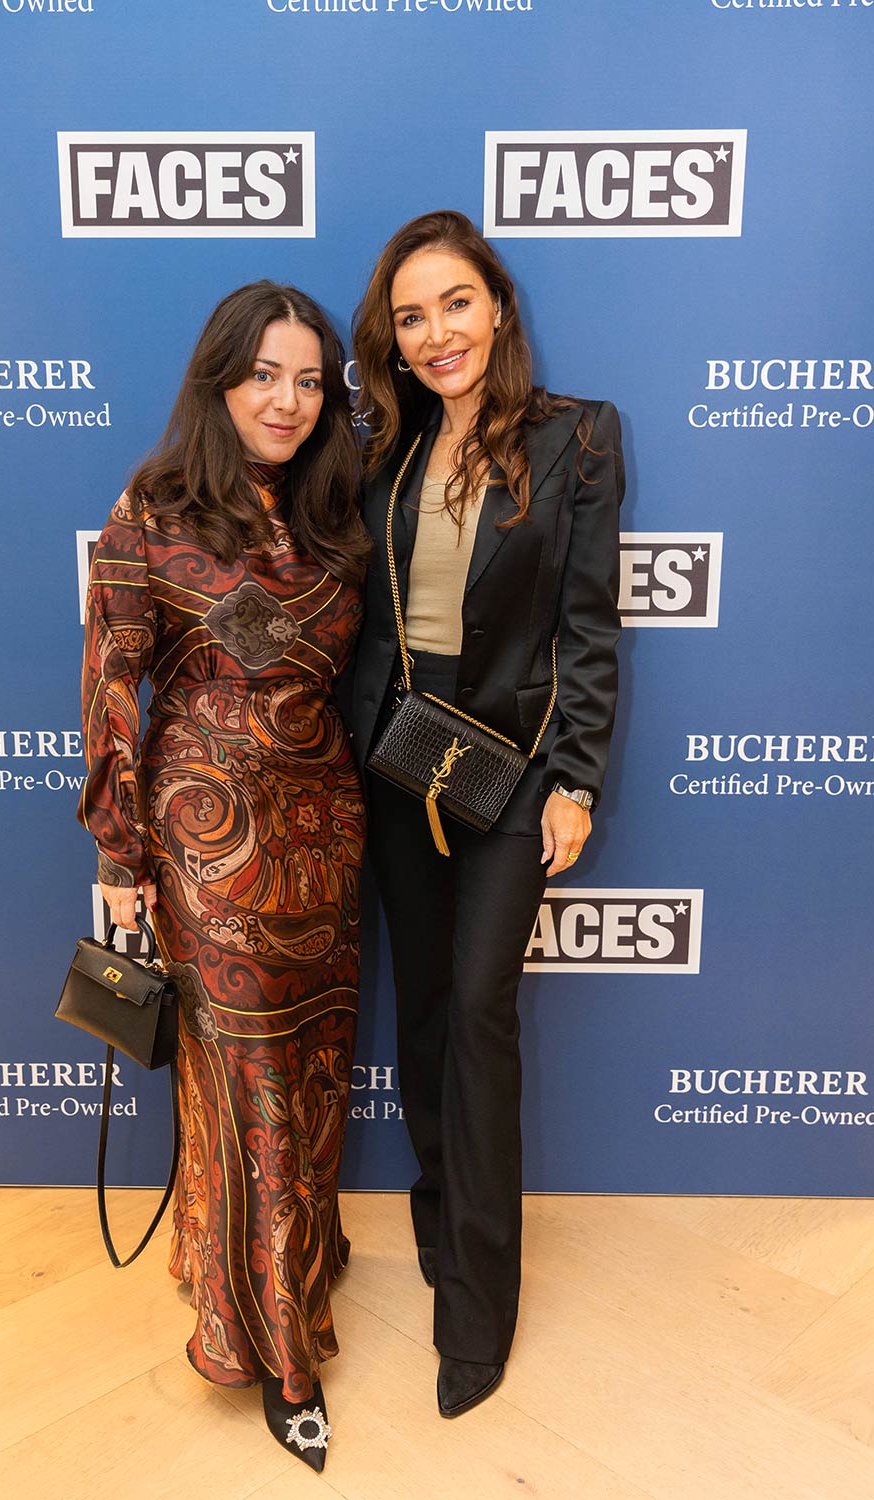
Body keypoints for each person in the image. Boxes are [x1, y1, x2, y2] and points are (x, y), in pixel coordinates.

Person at [78, 281, 368, 1471]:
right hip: (206, 844)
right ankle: (278, 1357)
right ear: (218, 379)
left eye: (308, 380)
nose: (287, 401)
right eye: (263, 375)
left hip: (326, 833)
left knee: (311, 1078)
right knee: (245, 1086)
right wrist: (118, 853)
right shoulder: (152, 509)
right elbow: (111, 684)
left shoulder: (337, 511)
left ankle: (270, 1260)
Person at [351, 211, 625, 1418]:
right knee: (420, 1008)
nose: (436, 333)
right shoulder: (382, 451)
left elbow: (589, 626)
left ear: (497, 306)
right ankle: (436, 1213)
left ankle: (478, 1307)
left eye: (454, 303)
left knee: (476, 1008)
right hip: (396, 763)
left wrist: (576, 778)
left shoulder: (578, 436)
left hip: (511, 772)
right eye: (411, 317)